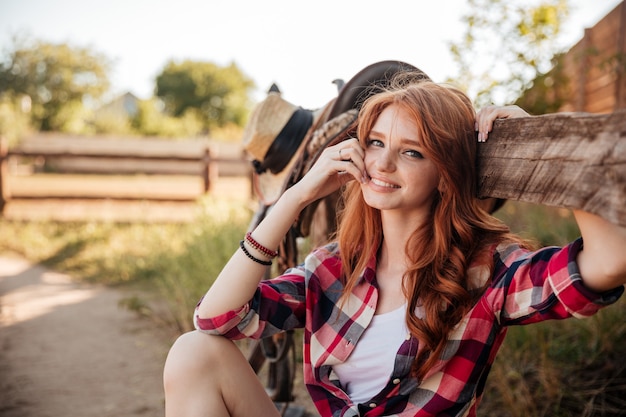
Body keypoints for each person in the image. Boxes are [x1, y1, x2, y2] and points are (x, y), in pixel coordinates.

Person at [163, 75, 626, 417]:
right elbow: (215, 319)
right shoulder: (332, 267)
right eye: (376, 142)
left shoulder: (486, 269)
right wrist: (297, 195)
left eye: (411, 151)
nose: (382, 163)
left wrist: (545, 150)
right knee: (194, 351)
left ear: (445, 172)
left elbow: (608, 262)